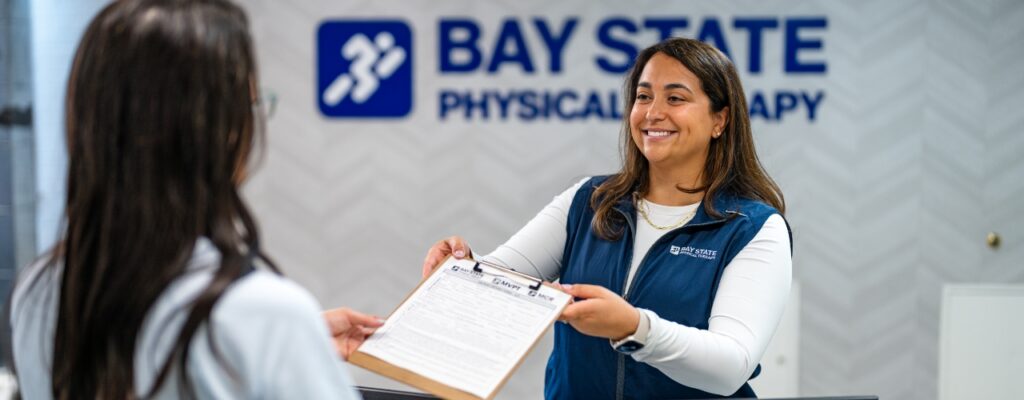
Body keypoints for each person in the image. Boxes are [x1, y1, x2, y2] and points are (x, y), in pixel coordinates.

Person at [8, 0, 380, 398]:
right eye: (250, 105)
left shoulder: (38, 291)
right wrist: (282, 346)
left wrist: (286, 351)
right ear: (221, 131)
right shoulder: (265, 316)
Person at [422, 37, 792, 399]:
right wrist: (460, 269)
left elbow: (731, 367)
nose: (652, 113)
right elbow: (498, 282)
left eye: (675, 98)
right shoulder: (590, 201)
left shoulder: (753, 227)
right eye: (643, 96)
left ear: (719, 120)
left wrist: (636, 328)